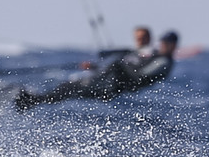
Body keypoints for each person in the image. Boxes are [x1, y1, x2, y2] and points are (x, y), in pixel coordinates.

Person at [15, 30, 179, 109]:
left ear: (173, 46)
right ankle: (32, 100)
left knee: (71, 89)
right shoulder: (153, 55)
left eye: (167, 44)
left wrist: (117, 66)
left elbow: (138, 75)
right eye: (163, 42)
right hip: (105, 81)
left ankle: (31, 101)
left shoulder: (163, 62)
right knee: (69, 87)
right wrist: (96, 67)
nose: (163, 45)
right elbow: (129, 63)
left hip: (110, 87)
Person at [78, 25, 152, 71]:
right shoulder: (130, 52)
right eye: (138, 38)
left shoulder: (152, 51)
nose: (140, 41)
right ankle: (93, 66)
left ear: (149, 38)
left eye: (143, 38)